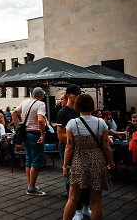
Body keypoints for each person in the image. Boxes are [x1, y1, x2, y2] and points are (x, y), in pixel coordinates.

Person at [62, 93, 114, 220]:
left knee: (73, 198)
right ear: (92, 106)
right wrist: (111, 162)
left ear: (77, 106)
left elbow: (69, 147)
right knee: (96, 201)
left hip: (79, 161)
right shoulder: (101, 122)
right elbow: (106, 145)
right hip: (97, 161)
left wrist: (65, 165)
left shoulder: (72, 123)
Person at [57, 84, 92, 218]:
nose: (78, 96)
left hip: (82, 149)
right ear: (68, 95)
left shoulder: (81, 110)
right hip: (68, 149)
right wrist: (78, 137)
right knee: (70, 180)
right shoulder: (63, 112)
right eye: (75, 94)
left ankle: (85, 207)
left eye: (79, 93)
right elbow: (60, 137)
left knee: (86, 178)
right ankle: (77, 210)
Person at [12, 87, 47, 196]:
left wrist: (18, 126)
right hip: (35, 134)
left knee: (29, 159)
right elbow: (41, 120)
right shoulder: (41, 104)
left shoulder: (25, 102)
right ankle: (31, 188)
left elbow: (14, 113)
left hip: (25, 134)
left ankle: (30, 185)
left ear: (32, 94)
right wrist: (42, 134)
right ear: (41, 95)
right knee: (36, 160)